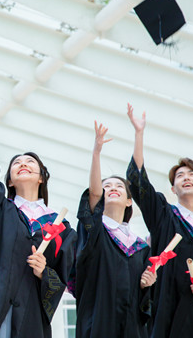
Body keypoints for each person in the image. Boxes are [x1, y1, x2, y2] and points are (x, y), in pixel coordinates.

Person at [0, 92, 76, 338]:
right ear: (10, 181)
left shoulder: (59, 225)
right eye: (17, 163)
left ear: (42, 176)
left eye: (30, 162)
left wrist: (44, 272)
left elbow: (65, 278)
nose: (23, 163)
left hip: (31, 314)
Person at [126, 103, 193, 338]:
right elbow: (138, 184)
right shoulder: (163, 216)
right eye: (179, 176)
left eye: (192, 174)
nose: (186, 178)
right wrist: (139, 134)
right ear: (173, 189)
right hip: (165, 313)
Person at [75, 121, 156, 337]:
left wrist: (146, 284)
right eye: (106, 186)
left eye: (119, 186)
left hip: (132, 328)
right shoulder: (95, 233)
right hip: (99, 322)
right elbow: (92, 196)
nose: (112, 188)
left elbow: (145, 302)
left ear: (130, 201)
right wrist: (96, 152)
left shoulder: (140, 247)